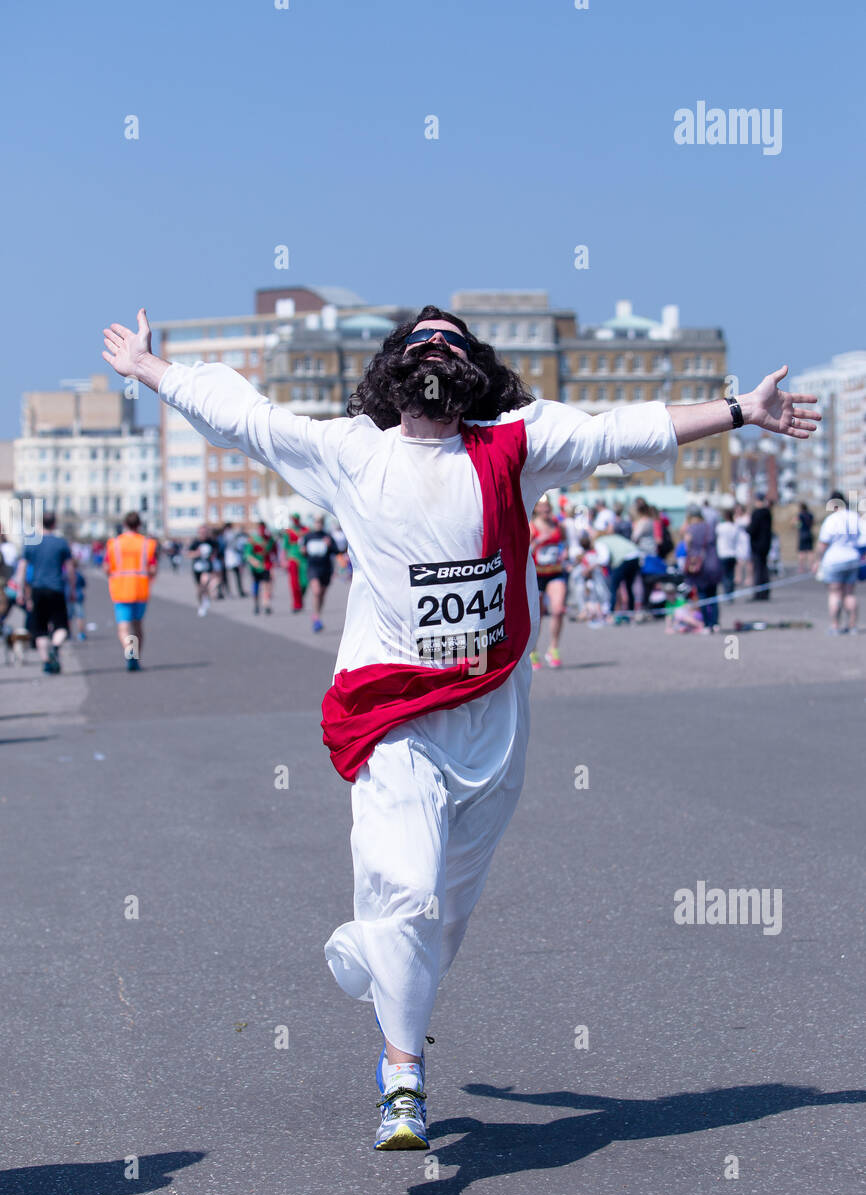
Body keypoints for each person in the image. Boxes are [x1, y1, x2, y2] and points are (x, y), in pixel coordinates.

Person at [104, 304, 819, 1151]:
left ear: (474, 371)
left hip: (493, 722)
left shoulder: (516, 444)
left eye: (450, 342)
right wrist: (153, 375)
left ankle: (376, 957)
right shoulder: (351, 453)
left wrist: (741, 411)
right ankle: (402, 1077)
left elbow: (625, 429)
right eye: (420, 343)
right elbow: (245, 416)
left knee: (438, 917)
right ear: (392, 371)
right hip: (396, 713)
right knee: (405, 886)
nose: (434, 351)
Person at [13, 511, 76, 674]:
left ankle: (46, 661)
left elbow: (21, 569)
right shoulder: (61, 543)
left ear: (41, 524)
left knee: (39, 628)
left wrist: (20, 592)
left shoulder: (31, 543)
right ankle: (55, 647)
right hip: (56, 589)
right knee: (61, 626)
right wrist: (73, 589)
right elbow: (70, 569)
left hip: (37, 589)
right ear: (54, 524)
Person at [102, 512, 158, 669]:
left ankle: (129, 651)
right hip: (140, 588)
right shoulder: (147, 543)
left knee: (124, 626)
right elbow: (153, 568)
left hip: (120, 589)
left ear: (124, 525)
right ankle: (135, 656)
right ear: (139, 525)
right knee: (137, 625)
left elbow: (106, 567)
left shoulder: (114, 544)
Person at [528, 495, 569, 667]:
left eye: (548, 508)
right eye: (542, 507)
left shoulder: (557, 526)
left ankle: (553, 648)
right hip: (536, 575)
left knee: (558, 610)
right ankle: (533, 650)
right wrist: (538, 542)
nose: (546, 511)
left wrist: (565, 553)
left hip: (555, 572)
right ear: (536, 508)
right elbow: (524, 550)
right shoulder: (531, 527)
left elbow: (565, 544)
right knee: (537, 616)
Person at [814, 491, 862, 634]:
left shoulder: (832, 520)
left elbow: (823, 543)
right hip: (853, 559)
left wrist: (817, 560)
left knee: (835, 594)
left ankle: (835, 626)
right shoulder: (855, 517)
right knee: (849, 593)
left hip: (834, 560)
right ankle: (852, 625)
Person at [681, 504, 721, 630]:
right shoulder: (709, 527)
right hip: (713, 563)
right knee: (713, 595)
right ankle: (715, 623)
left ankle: (707, 624)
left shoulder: (691, 529)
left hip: (699, 565)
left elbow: (686, 546)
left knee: (702, 595)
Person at [301, 515, 340, 632]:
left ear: (323, 524)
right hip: (313, 568)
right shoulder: (308, 536)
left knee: (322, 595)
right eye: (316, 522)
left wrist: (330, 545)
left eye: (320, 522)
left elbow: (337, 551)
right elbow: (303, 551)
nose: (318, 524)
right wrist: (303, 551)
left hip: (326, 569)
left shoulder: (327, 536)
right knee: (316, 592)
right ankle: (317, 618)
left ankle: (317, 615)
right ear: (314, 523)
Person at [245, 520, 277, 615]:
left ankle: (266, 604)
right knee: (256, 586)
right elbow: (247, 553)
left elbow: (273, 551)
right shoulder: (253, 539)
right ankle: (256, 605)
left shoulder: (269, 539)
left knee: (267, 585)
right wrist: (253, 560)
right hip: (255, 566)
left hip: (266, 564)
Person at [188, 525, 219, 615]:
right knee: (199, 590)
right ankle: (202, 603)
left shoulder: (212, 542)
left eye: (205, 532)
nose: (203, 534)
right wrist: (197, 553)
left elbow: (216, 553)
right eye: (201, 532)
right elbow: (189, 554)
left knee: (204, 582)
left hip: (207, 568)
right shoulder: (195, 543)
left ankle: (207, 598)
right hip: (197, 568)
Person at [747, 493, 773, 600]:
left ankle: (758, 593)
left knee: (758, 570)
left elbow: (752, 529)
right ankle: (765, 592)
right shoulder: (767, 513)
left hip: (757, 545)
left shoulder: (756, 513)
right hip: (766, 544)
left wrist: (746, 529)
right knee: (764, 569)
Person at [715, 507, 739, 599]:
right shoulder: (734, 526)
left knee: (725, 575)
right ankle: (730, 593)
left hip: (723, 553)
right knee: (731, 575)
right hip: (732, 553)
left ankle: (727, 594)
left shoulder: (721, 527)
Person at [221, 525, 246, 597]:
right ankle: (228, 591)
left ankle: (239, 590)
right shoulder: (227, 536)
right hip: (229, 557)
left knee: (237, 575)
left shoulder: (233, 535)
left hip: (234, 558)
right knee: (229, 576)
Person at [795, 501, 815, 573]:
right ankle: (812, 567)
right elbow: (813, 523)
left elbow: (797, 525)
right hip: (809, 533)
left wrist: (797, 525)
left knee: (801, 552)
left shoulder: (800, 515)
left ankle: (801, 568)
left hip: (802, 534)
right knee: (810, 551)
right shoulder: (810, 515)